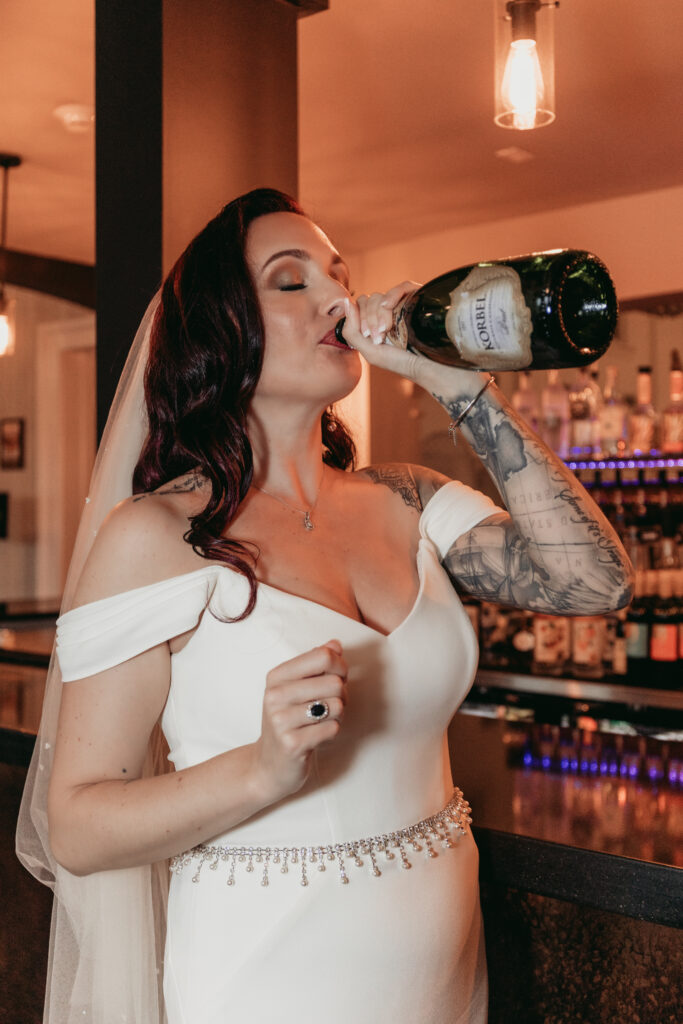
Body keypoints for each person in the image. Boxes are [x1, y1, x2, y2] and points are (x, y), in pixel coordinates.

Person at [17, 188, 634, 1024]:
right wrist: (260, 767)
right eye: (289, 280)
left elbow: (593, 582)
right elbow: (79, 825)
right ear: (220, 333)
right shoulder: (157, 534)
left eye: (338, 276)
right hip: (268, 978)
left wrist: (465, 395)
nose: (337, 300)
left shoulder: (407, 499)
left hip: (446, 973)